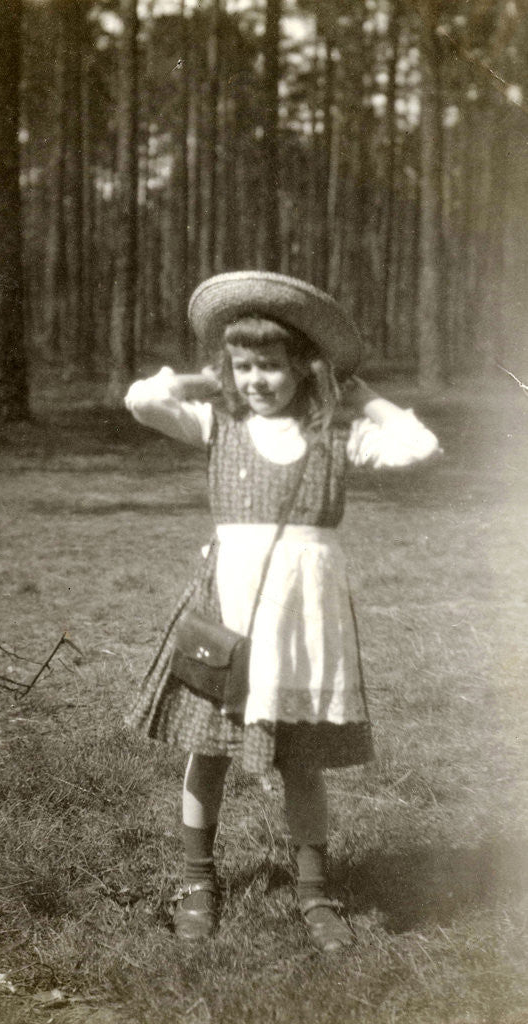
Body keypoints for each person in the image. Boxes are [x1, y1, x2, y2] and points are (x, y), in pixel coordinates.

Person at [124, 271, 441, 952]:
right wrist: (206, 384)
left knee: (302, 761)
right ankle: (197, 880)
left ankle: (314, 891)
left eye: (271, 364)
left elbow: (421, 446)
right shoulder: (220, 421)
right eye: (244, 366)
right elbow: (142, 399)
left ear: (304, 366)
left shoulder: (333, 437)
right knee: (207, 751)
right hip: (231, 616)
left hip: (304, 622)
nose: (257, 379)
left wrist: (361, 395)